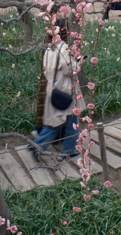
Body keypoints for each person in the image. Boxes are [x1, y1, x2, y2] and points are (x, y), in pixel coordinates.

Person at [33, 21, 79, 160]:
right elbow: (69, 69)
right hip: (64, 89)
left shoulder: (49, 48)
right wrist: (79, 63)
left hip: (52, 88)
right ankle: (40, 146)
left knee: (59, 120)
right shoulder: (64, 48)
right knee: (66, 119)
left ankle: (67, 147)